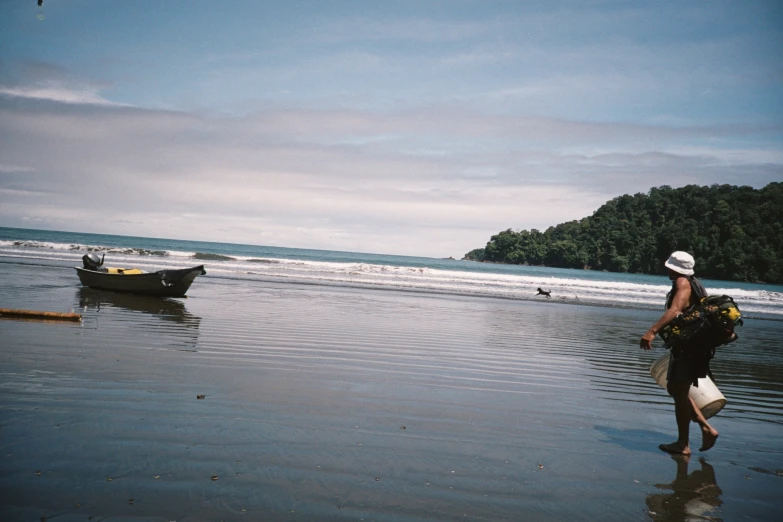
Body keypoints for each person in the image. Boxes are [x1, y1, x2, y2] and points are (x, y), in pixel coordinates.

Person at [640, 251, 719, 455]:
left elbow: (675, 310)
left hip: (689, 348)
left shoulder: (682, 283)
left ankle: (684, 443)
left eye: (669, 265)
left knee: (678, 391)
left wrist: (651, 331)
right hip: (693, 346)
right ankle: (704, 429)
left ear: (675, 268)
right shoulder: (695, 284)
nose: (666, 268)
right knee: (677, 390)